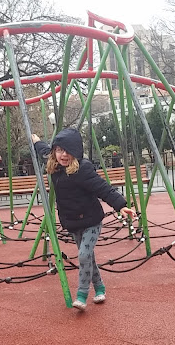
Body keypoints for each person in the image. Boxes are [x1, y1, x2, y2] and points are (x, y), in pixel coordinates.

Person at [32, 129, 137, 312]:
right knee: (87, 256)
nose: (63, 155)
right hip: (72, 221)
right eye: (59, 150)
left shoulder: (83, 169)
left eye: (68, 151)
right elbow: (43, 150)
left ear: (77, 152)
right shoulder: (54, 165)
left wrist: (121, 205)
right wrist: (36, 141)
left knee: (83, 255)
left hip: (91, 221)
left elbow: (103, 189)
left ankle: (81, 294)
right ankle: (100, 287)